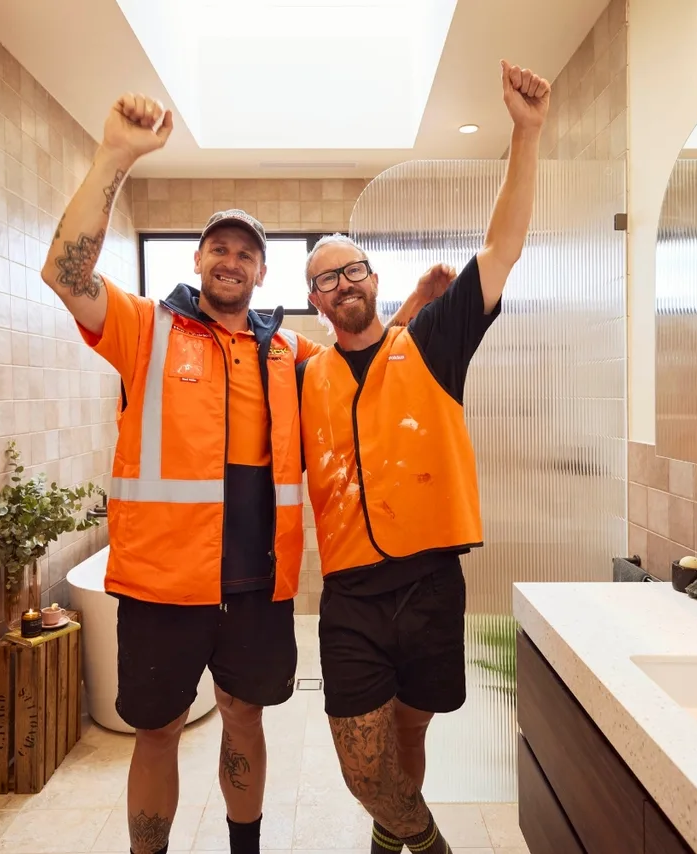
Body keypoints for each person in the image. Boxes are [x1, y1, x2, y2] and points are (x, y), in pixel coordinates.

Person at [39, 92, 327, 854]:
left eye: (244, 252)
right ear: (198, 260)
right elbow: (65, 272)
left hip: (258, 588)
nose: (230, 260)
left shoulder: (288, 352)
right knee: (158, 730)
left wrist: (411, 318)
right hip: (162, 586)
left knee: (244, 716)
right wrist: (116, 155)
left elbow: (364, 377)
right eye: (218, 249)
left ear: (262, 271)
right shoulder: (147, 329)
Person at [296, 60, 551, 854]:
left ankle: (389, 837)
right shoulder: (303, 372)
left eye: (351, 268)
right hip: (351, 594)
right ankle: (428, 841)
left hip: (434, 582)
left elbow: (502, 248)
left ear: (372, 278)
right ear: (314, 302)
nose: (341, 282)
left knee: (412, 726)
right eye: (324, 277)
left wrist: (526, 131)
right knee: (358, 752)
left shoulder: (435, 343)